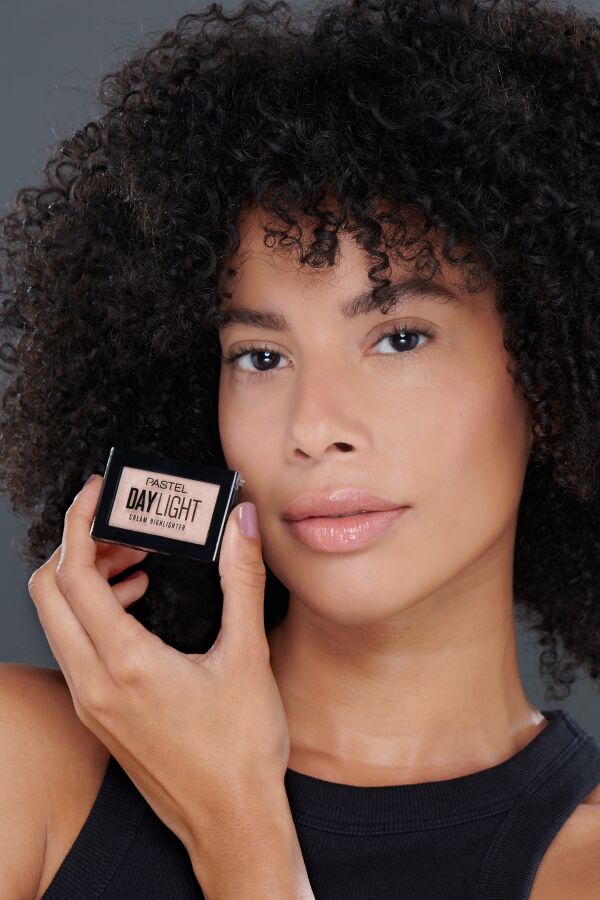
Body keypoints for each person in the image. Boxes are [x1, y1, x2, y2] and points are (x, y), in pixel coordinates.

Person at [1, 0, 600, 896]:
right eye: (261, 356)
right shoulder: (24, 764)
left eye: (400, 338)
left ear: (550, 374)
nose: (314, 427)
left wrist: (238, 826)